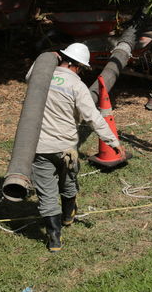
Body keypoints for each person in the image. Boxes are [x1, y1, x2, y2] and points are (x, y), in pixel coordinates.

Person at [27, 43, 123, 252]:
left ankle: (54, 240)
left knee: (46, 193)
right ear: (77, 66)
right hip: (66, 148)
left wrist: (46, 57)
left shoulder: (40, 77)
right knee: (68, 182)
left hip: (40, 146)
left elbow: (29, 74)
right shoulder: (77, 86)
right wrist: (113, 142)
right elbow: (93, 118)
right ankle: (68, 216)